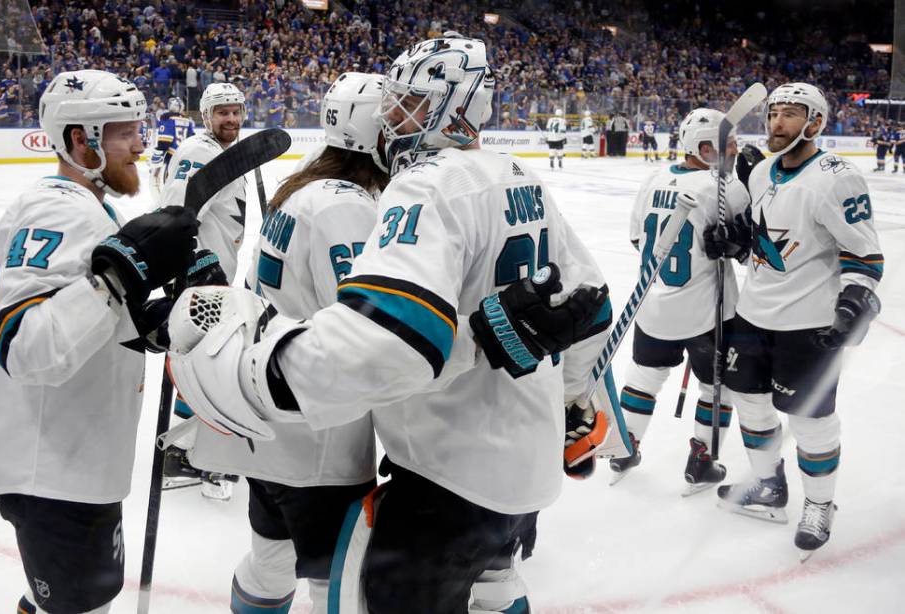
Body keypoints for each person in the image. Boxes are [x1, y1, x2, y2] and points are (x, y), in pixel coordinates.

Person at [167, 34, 615, 613]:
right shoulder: (518, 174)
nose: (392, 118)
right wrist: (574, 402)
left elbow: (390, 344)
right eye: (391, 104)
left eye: (408, 104)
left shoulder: (420, 183)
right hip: (522, 461)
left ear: (459, 106)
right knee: (497, 582)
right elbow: (591, 307)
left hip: (444, 465)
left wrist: (257, 374)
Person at [0, 69, 199, 614]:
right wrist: (119, 278)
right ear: (79, 139)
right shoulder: (57, 209)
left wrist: (150, 321)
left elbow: (89, 318)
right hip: (50, 466)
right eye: (126, 133)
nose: (142, 144)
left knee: (63, 599)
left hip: (71, 457)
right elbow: (23, 343)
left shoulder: (91, 207)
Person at [187, 71, 388, 614]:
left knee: (272, 559)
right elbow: (361, 328)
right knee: (336, 584)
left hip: (267, 421)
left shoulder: (303, 184)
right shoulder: (347, 207)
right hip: (317, 436)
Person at [714, 83, 883, 558]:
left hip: (806, 322)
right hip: (753, 313)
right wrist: (733, 240)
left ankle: (820, 504)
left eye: (790, 114)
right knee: (750, 404)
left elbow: (865, 254)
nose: (776, 124)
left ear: (815, 123)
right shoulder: (764, 170)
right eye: (773, 114)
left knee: (811, 423)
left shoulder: (836, 177)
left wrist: (854, 299)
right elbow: (759, 237)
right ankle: (769, 486)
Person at [609, 108, 749, 493]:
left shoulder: (654, 178)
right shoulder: (727, 188)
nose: (727, 152)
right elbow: (749, 246)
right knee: (716, 386)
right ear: (696, 147)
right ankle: (701, 460)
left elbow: (638, 239)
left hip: (652, 305)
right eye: (717, 146)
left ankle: (625, 445)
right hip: (707, 312)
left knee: (643, 377)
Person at [159, 81, 249, 499]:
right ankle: (203, 458)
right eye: (222, 112)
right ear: (205, 115)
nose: (230, 119)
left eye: (235, 111)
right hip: (200, 282)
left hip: (216, 278)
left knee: (201, 367)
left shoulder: (224, 154)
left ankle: (181, 454)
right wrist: (190, 267)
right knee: (210, 370)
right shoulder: (199, 152)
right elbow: (178, 213)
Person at [149, 95, 195, 200]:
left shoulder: (167, 120)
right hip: (185, 156)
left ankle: (168, 204)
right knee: (183, 183)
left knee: (168, 183)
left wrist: (157, 155)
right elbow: (192, 139)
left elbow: (164, 142)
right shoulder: (188, 121)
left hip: (172, 156)